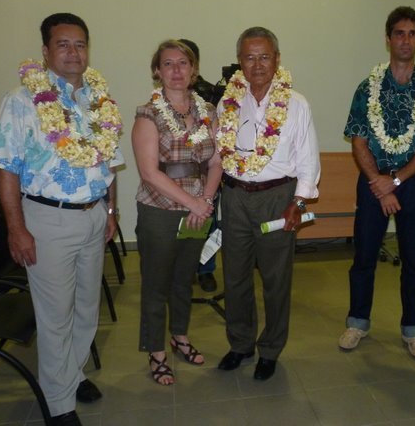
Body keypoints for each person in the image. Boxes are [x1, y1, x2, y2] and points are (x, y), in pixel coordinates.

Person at [0, 12, 124, 425]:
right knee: (55, 314)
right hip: (47, 221)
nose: (73, 52)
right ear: (45, 51)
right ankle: (59, 405)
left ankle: (72, 373)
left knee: (86, 308)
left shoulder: (97, 99)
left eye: (80, 44)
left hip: (94, 216)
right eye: (63, 44)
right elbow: (5, 168)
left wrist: (111, 210)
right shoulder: (22, 100)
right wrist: (17, 229)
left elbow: (108, 162)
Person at [339, 6, 415, 359]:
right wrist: (379, 182)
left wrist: (397, 180)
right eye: (399, 33)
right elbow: (358, 139)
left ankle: (413, 329)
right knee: (364, 256)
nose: (406, 40)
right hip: (372, 184)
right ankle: (357, 322)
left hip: (414, 185)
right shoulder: (366, 87)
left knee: (414, 260)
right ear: (388, 39)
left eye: (412, 33)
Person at [216, 26, 320, 381]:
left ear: (277, 59)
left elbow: (308, 160)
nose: (257, 64)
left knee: (276, 279)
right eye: (249, 57)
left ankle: (271, 349)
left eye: (264, 56)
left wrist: (299, 203)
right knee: (235, 276)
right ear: (239, 62)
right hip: (234, 197)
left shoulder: (297, 103)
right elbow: (219, 153)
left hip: (278, 198)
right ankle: (241, 343)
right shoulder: (227, 102)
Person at [132, 40, 222, 385]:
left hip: (200, 210)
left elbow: (216, 161)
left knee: (184, 279)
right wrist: (193, 204)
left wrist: (207, 201)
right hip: (161, 210)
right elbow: (149, 173)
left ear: (194, 69)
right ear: (157, 71)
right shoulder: (148, 113)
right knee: (157, 285)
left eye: (183, 63)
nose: (176, 71)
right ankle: (156, 350)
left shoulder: (208, 112)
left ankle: (180, 336)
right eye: (168, 64)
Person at [179, 38, 221, 293]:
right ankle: (184, 268)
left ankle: (206, 268)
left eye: (186, 61)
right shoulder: (163, 96)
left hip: (208, 173)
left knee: (209, 223)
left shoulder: (210, 92)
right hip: (177, 177)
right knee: (181, 225)